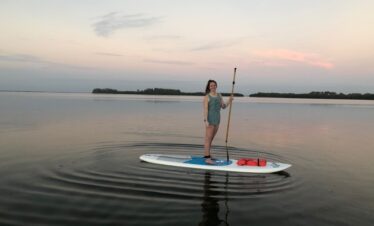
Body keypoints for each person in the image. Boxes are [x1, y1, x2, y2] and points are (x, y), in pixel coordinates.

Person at [203, 80, 233, 164]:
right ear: (209, 87)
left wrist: (229, 100)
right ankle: (207, 158)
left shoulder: (219, 95)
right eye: (211, 85)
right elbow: (205, 109)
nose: (213, 87)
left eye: (214, 85)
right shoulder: (207, 97)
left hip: (217, 119)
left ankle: (208, 154)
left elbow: (223, 106)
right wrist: (205, 120)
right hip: (210, 120)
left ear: (216, 86)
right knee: (208, 139)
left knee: (211, 139)